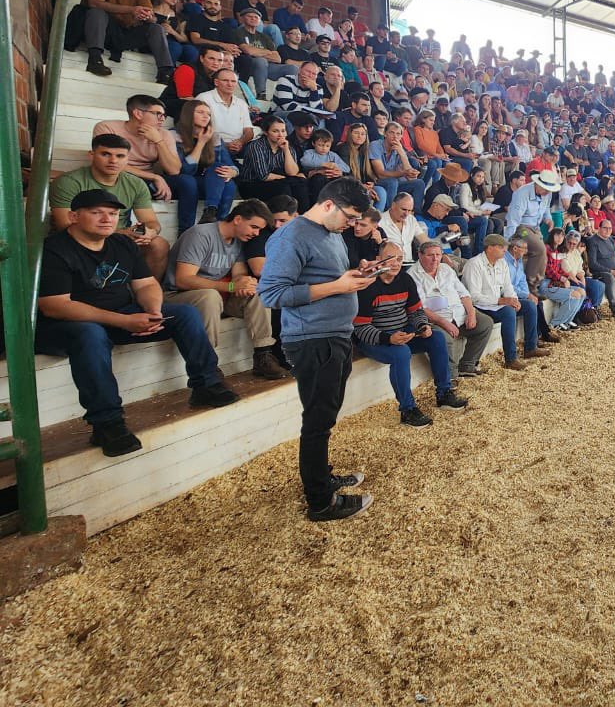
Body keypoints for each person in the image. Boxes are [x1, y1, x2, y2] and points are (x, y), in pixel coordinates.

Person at [35, 189, 237, 457]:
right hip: (67, 324)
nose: (107, 219)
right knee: (90, 335)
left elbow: (146, 285)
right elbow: (55, 306)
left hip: (119, 315)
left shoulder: (122, 244)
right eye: (96, 212)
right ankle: (107, 422)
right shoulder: (55, 249)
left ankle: (206, 385)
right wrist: (124, 320)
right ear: (73, 216)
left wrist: (153, 311)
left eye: (112, 214)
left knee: (185, 314)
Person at [258, 178, 378, 522]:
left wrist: (354, 275)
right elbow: (272, 294)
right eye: (350, 217)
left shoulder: (331, 234)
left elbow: (328, 276)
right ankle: (320, 501)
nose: (352, 225)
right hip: (311, 338)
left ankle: (321, 476)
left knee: (325, 414)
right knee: (317, 420)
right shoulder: (291, 236)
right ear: (328, 205)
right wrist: (338, 285)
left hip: (335, 334)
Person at [164, 199, 289, 380]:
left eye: (260, 229)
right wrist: (230, 286)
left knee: (258, 290)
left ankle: (263, 354)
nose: (256, 233)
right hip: (177, 297)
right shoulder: (201, 235)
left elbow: (239, 274)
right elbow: (183, 280)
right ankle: (208, 363)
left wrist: (245, 283)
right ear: (237, 219)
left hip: (217, 298)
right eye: (254, 227)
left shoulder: (238, 240)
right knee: (209, 296)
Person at [354, 242, 460, 426]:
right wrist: (388, 338)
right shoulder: (368, 286)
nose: (396, 263)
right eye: (390, 258)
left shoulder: (405, 280)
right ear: (378, 260)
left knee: (436, 337)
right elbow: (360, 328)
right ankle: (407, 409)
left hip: (402, 333)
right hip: (374, 338)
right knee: (401, 353)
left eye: (400, 259)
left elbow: (416, 312)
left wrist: (422, 326)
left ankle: (444, 392)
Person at [50, 133, 171, 281]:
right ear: (92, 155)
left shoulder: (136, 184)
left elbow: (151, 221)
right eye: (105, 154)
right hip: (81, 239)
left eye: (120, 156)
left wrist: (149, 232)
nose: (113, 160)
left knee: (159, 244)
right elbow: (65, 224)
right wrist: (120, 233)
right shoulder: (69, 182)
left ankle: (148, 292)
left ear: (128, 159)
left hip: (121, 239)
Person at [93, 94, 199, 232]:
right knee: (127, 183)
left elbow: (174, 170)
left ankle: (186, 233)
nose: (162, 119)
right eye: (157, 114)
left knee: (187, 181)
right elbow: (110, 163)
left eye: (164, 116)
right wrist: (155, 177)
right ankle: (123, 232)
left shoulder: (164, 134)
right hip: (117, 176)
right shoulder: (107, 128)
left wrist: (158, 141)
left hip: (148, 182)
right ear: (138, 113)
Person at [407, 239, 492, 381]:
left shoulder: (446, 269)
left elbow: (463, 293)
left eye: (438, 255)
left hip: (459, 314)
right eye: (430, 255)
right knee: (444, 338)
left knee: (485, 323)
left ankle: (467, 365)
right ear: (420, 255)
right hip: (435, 319)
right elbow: (420, 307)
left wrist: (471, 313)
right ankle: (450, 378)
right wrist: (444, 323)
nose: (435, 259)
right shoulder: (412, 275)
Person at [74, 0, 174, 82]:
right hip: (100, 28)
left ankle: (165, 73)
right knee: (98, 12)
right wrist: (132, 10)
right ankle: (95, 59)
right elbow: (94, 3)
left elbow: (152, 18)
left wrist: (146, 16)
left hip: (124, 32)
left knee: (156, 28)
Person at [460, 234, 527, 371]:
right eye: (501, 247)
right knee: (508, 312)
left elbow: (508, 286)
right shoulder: (474, 264)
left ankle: (531, 346)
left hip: (496, 304)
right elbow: (473, 296)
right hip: (478, 306)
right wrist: (501, 300)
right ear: (489, 248)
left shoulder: (502, 263)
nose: (505, 250)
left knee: (530, 305)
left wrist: (513, 299)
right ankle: (511, 358)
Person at [174, 99, 238, 223]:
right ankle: (205, 221)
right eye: (200, 112)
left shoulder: (215, 137)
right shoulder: (175, 135)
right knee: (190, 181)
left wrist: (232, 172)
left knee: (228, 182)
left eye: (208, 114)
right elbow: (186, 170)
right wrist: (201, 142)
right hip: (183, 182)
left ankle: (212, 215)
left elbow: (230, 165)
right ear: (188, 114)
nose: (206, 116)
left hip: (209, 184)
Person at [503, 169, 560, 290]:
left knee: (544, 253)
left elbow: (546, 210)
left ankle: (538, 283)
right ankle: (531, 285)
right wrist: (507, 241)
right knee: (540, 249)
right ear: (538, 184)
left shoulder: (547, 194)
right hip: (521, 227)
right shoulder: (522, 194)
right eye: (545, 189)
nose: (547, 192)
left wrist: (548, 219)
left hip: (536, 227)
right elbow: (513, 220)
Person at [238, 116, 309, 208]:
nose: (281, 135)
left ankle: (303, 216)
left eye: (283, 131)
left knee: (300, 183)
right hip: (252, 184)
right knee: (285, 186)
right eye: (275, 131)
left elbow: (292, 172)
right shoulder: (256, 146)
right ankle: (285, 217)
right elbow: (264, 176)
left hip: (277, 180)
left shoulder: (288, 146)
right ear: (265, 132)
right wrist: (286, 179)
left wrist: (286, 150)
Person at [504, 236, 552, 360]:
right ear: (515, 248)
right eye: (524, 249)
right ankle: (531, 347)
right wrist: (526, 295)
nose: (526, 252)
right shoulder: (504, 261)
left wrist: (528, 295)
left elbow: (522, 281)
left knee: (536, 302)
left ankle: (535, 339)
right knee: (531, 304)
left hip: (517, 294)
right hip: (505, 296)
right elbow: (507, 286)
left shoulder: (518, 260)